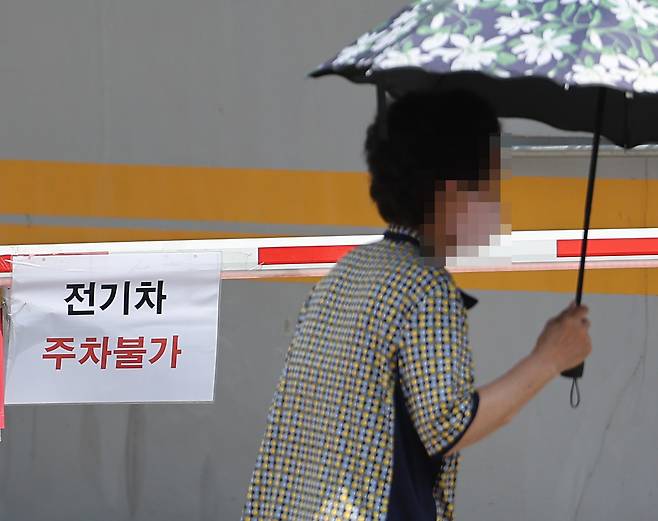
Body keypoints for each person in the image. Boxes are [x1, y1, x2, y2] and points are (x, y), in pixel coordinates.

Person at [240, 90, 592, 521]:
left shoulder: (351, 269)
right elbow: (449, 426)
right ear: (450, 194)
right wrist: (550, 358)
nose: (498, 206)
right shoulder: (426, 287)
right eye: (490, 186)